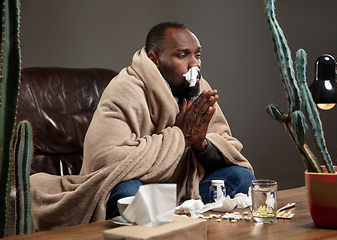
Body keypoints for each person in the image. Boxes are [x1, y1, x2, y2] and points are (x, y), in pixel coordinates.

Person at [30, 21, 254, 231]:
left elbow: (228, 146)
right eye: (182, 55)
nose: (194, 64)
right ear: (154, 59)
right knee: (128, 192)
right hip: (142, 191)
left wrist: (200, 143)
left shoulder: (197, 88)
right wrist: (180, 137)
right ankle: (168, 224)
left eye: (197, 55)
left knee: (240, 176)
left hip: (185, 191)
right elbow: (105, 159)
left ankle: (182, 223)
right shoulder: (126, 89)